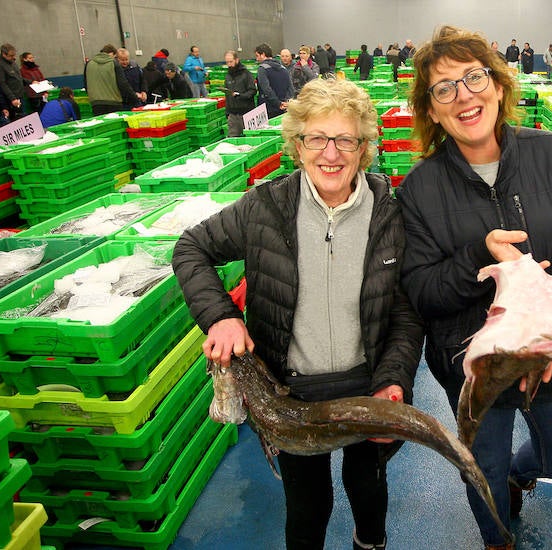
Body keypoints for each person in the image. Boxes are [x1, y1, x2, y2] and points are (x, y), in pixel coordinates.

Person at [172, 76, 423, 550]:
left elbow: (405, 314)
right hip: (291, 395)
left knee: (368, 488)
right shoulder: (264, 207)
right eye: (317, 138)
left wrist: (395, 379)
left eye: (346, 139)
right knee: (306, 504)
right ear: (297, 144)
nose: (331, 153)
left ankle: (370, 543)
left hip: (369, 386)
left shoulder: (391, 215)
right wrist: (221, 316)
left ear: (365, 146)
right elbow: (191, 249)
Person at [398, 25, 552, 550]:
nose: (464, 95)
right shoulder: (420, 190)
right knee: (482, 470)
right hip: (474, 371)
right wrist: (479, 254)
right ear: (432, 111)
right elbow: (424, 291)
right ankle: (495, 537)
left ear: (498, 86)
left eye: (474, 77)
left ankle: (527, 474)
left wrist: (541, 319)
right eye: (444, 88)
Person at [85, 44, 140, 115]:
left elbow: (86, 84)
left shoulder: (89, 64)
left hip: (96, 103)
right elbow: (123, 84)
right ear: (113, 54)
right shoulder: (114, 64)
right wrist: (135, 98)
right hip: (114, 103)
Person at [223, 49, 256, 137]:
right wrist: (227, 112)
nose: (229, 64)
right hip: (233, 115)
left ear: (237, 60)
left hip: (247, 113)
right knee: (232, 139)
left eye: (231, 61)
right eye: (227, 62)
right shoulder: (228, 76)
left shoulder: (246, 74)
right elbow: (227, 95)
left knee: (250, 138)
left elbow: (252, 91)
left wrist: (240, 95)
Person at [255, 43, 293, 118]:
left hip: (268, 108)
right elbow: (290, 87)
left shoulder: (262, 69)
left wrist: (277, 103)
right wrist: (286, 102)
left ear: (262, 54)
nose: (256, 59)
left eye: (257, 56)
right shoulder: (283, 68)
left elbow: (266, 89)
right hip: (283, 107)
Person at [0, 43, 25, 120]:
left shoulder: (12, 62)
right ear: (4, 54)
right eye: (11, 56)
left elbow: (19, 77)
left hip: (20, 95)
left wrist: (31, 82)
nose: (14, 57)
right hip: (12, 99)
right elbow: (2, 83)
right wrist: (12, 98)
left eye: (14, 55)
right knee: (16, 120)